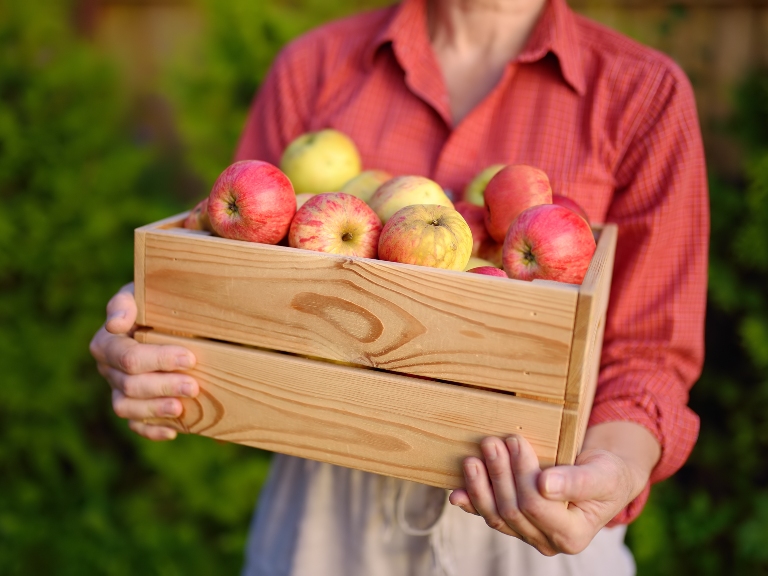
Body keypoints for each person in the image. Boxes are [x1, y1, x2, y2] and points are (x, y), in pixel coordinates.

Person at [90, 0, 708, 573]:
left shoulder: (640, 93)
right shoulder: (315, 66)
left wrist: (615, 470)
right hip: (326, 516)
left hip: (527, 508)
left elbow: (649, 354)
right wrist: (165, 340)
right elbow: (240, 266)